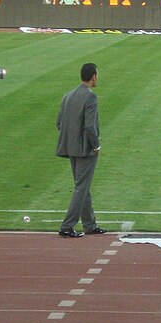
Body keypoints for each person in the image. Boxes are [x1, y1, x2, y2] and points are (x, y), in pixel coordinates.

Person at [56, 63, 107, 238]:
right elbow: (90, 127)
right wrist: (96, 145)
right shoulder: (90, 98)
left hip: (70, 147)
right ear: (93, 76)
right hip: (85, 149)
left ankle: (89, 224)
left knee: (82, 186)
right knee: (81, 187)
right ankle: (67, 225)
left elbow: (59, 123)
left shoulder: (68, 95)